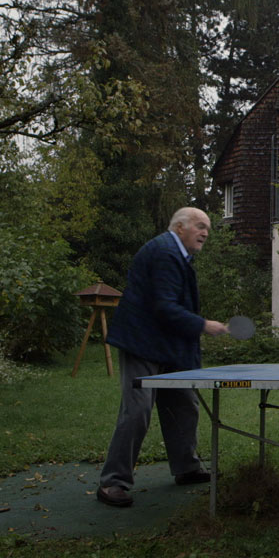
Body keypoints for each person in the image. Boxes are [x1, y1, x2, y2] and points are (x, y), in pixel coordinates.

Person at [96, 207, 229, 507]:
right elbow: (164, 307)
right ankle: (112, 483)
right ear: (180, 227)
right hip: (142, 343)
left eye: (208, 227)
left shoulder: (179, 255)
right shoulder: (165, 252)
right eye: (199, 226)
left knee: (184, 403)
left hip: (166, 346)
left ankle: (186, 467)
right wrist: (204, 325)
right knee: (138, 411)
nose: (206, 232)